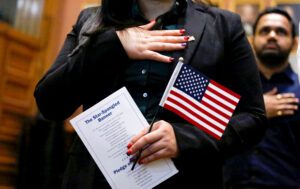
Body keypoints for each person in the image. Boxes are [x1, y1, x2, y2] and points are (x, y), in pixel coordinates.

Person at [34, 0, 266, 188]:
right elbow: (50, 104)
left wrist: (184, 139)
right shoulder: (91, 19)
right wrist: (112, 44)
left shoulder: (223, 25)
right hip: (95, 178)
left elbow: (252, 117)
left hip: (186, 176)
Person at [223, 7, 300, 189]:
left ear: (294, 43)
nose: (272, 35)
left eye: (281, 31)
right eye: (265, 31)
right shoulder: (230, 89)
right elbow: (207, 134)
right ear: (251, 40)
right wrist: (254, 112)